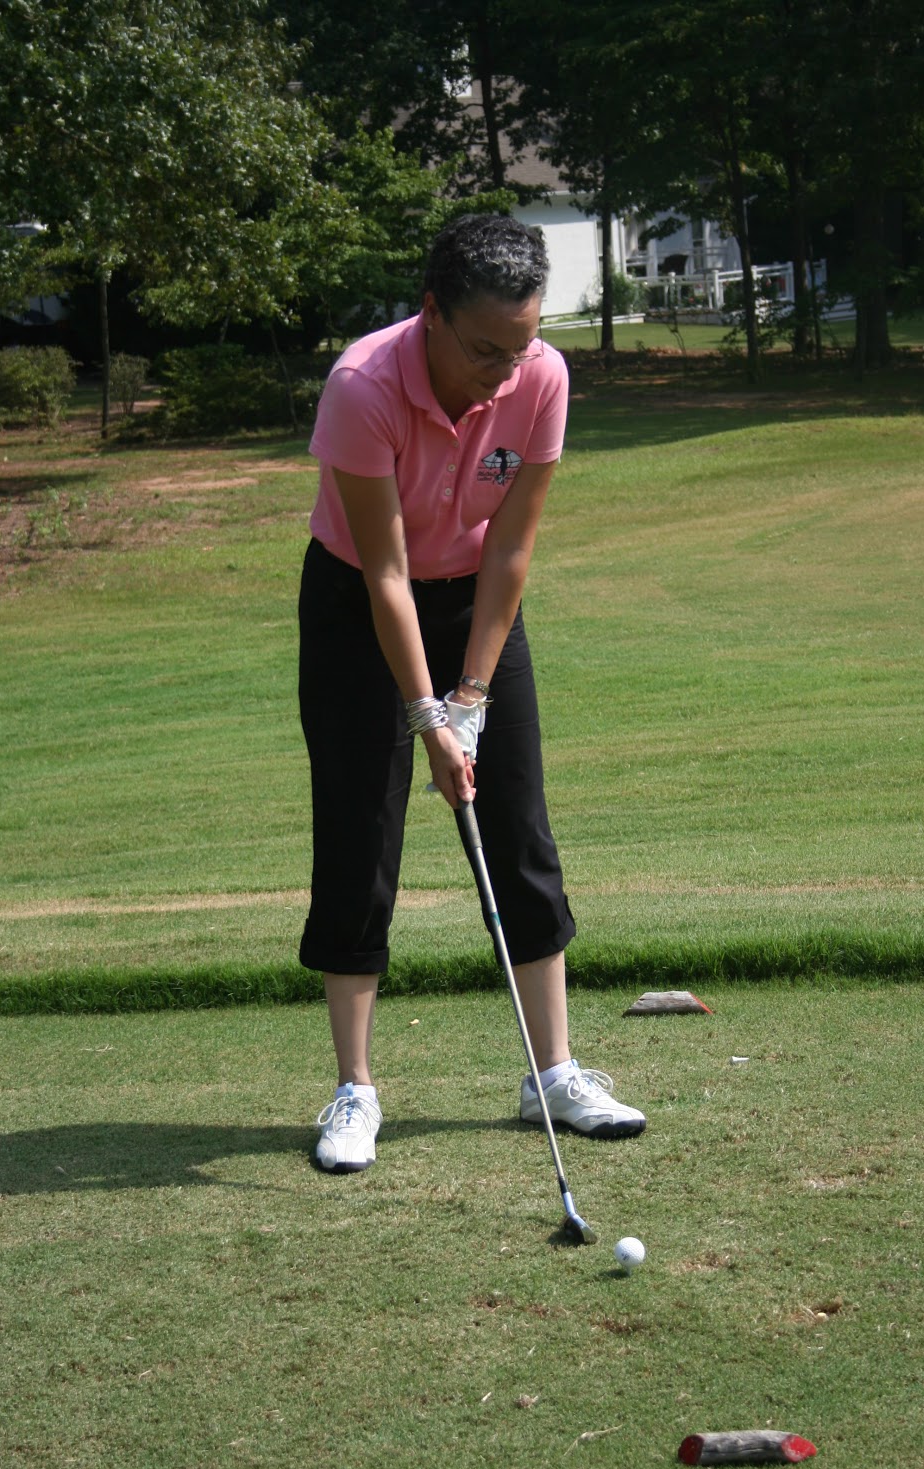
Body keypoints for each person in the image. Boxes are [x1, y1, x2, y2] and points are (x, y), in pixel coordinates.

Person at [298, 213, 645, 1173]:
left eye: (521, 346)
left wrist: (474, 701)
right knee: (361, 832)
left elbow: (512, 546)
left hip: (480, 606)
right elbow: (385, 575)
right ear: (432, 316)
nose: (504, 371)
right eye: (485, 349)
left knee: (519, 828)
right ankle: (354, 1090)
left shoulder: (542, 377)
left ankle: (553, 1070)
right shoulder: (363, 386)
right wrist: (427, 717)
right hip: (359, 602)